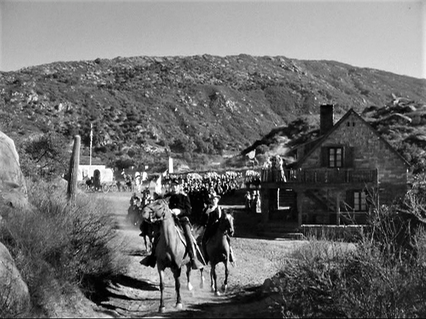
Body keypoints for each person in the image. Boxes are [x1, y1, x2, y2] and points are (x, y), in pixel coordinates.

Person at [140, 179, 205, 270]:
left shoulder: (184, 196)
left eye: (176, 186)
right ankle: (152, 256)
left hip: (181, 220)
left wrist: (180, 211)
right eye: (173, 185)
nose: (174, 187)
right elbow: (159, 204)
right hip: (167, 220)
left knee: (188, 235)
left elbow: (189, 210)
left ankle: (193, 258)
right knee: (158, 234)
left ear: (179, 186)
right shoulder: (167, 197)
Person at [200, 192, 235, 265]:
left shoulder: (220, 209)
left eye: (215, 199)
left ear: (217, 200)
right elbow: (203, 219)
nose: (213, 200)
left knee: (227, 239)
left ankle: (230, 254)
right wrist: (207, 213)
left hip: (219, 227)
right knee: (204, 240)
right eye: (212, 199)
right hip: (210, 227)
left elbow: (224, 219)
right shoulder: (207, 209)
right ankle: (206, 256)